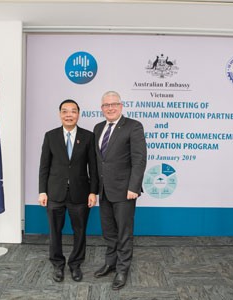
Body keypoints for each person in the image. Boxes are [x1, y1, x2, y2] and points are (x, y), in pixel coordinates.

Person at [38, 99, 98, 282]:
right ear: (60, 114)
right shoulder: (50, 136)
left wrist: (93, 192)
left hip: (80, 193)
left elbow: (94, 168)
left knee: (80, 231)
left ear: (78, 114)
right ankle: (57, 264)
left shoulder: (88, 136)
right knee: (55, 231)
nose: (69, 114)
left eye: (73, 111)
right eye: (65, 111)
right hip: (55, 193)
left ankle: (75, 264)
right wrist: (42, 191)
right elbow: (44, 166)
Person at [93, 91, 147, 290]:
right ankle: (110, 262)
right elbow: (99, 161)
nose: (110, 108)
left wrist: (134, 186)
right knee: (108, 230)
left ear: (121, 106)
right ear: (102, 108)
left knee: (124, 232)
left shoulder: (133, 126)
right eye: (106, 105)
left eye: (114, 104)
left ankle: (123, 269)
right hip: (104, 190)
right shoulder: (98, 128)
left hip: (125, 191)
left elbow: (139, 159)